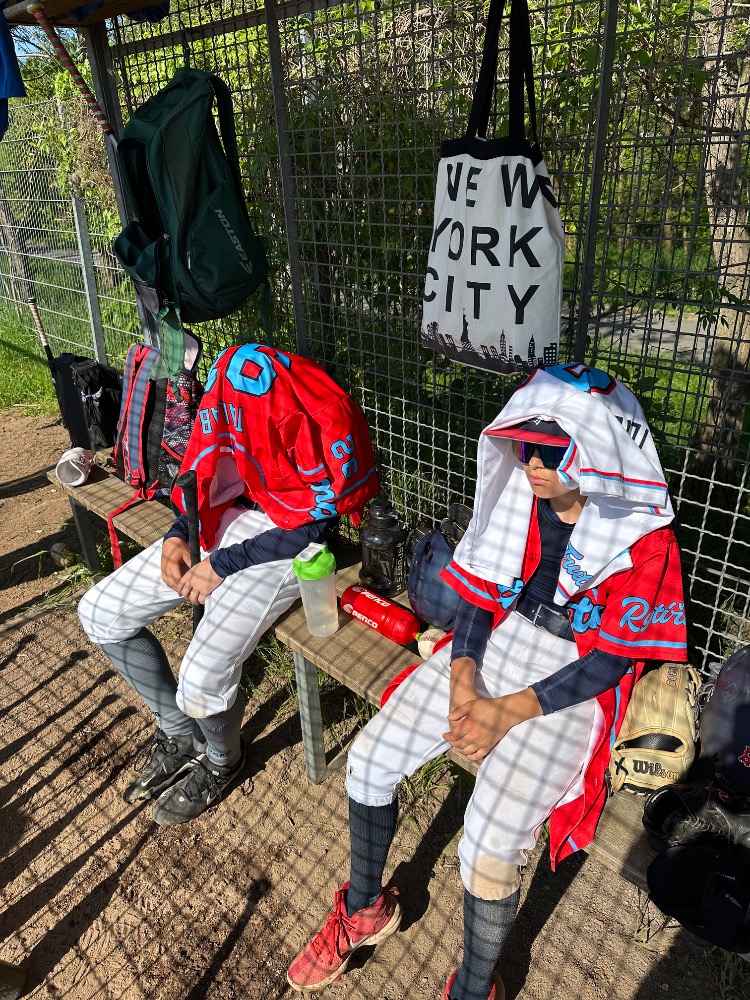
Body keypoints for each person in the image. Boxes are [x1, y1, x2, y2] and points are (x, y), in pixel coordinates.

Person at [286, 362, 689, 999]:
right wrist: (462, 678)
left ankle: (477, 986)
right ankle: (365, 908)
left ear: (597, 451)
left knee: (489, 843)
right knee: (369, 759)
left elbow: (611, 661)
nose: (532, 462)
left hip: (574, 675)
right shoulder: (519, 499)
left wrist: (504, 712)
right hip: (499, 643)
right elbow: (480, 594)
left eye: (551, 449)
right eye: (525, 445)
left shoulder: (642, 531)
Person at [78, 343, 378, 827]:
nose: (233, 417)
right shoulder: (231, 391)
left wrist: (222, 565)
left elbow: (315, 525)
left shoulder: (310, 410)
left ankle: (223, 760)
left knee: (200, 680)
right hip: (228, 517)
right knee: (99, 612)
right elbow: (206, 470)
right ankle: (179, 733)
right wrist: (179, 533)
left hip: (285, 542)